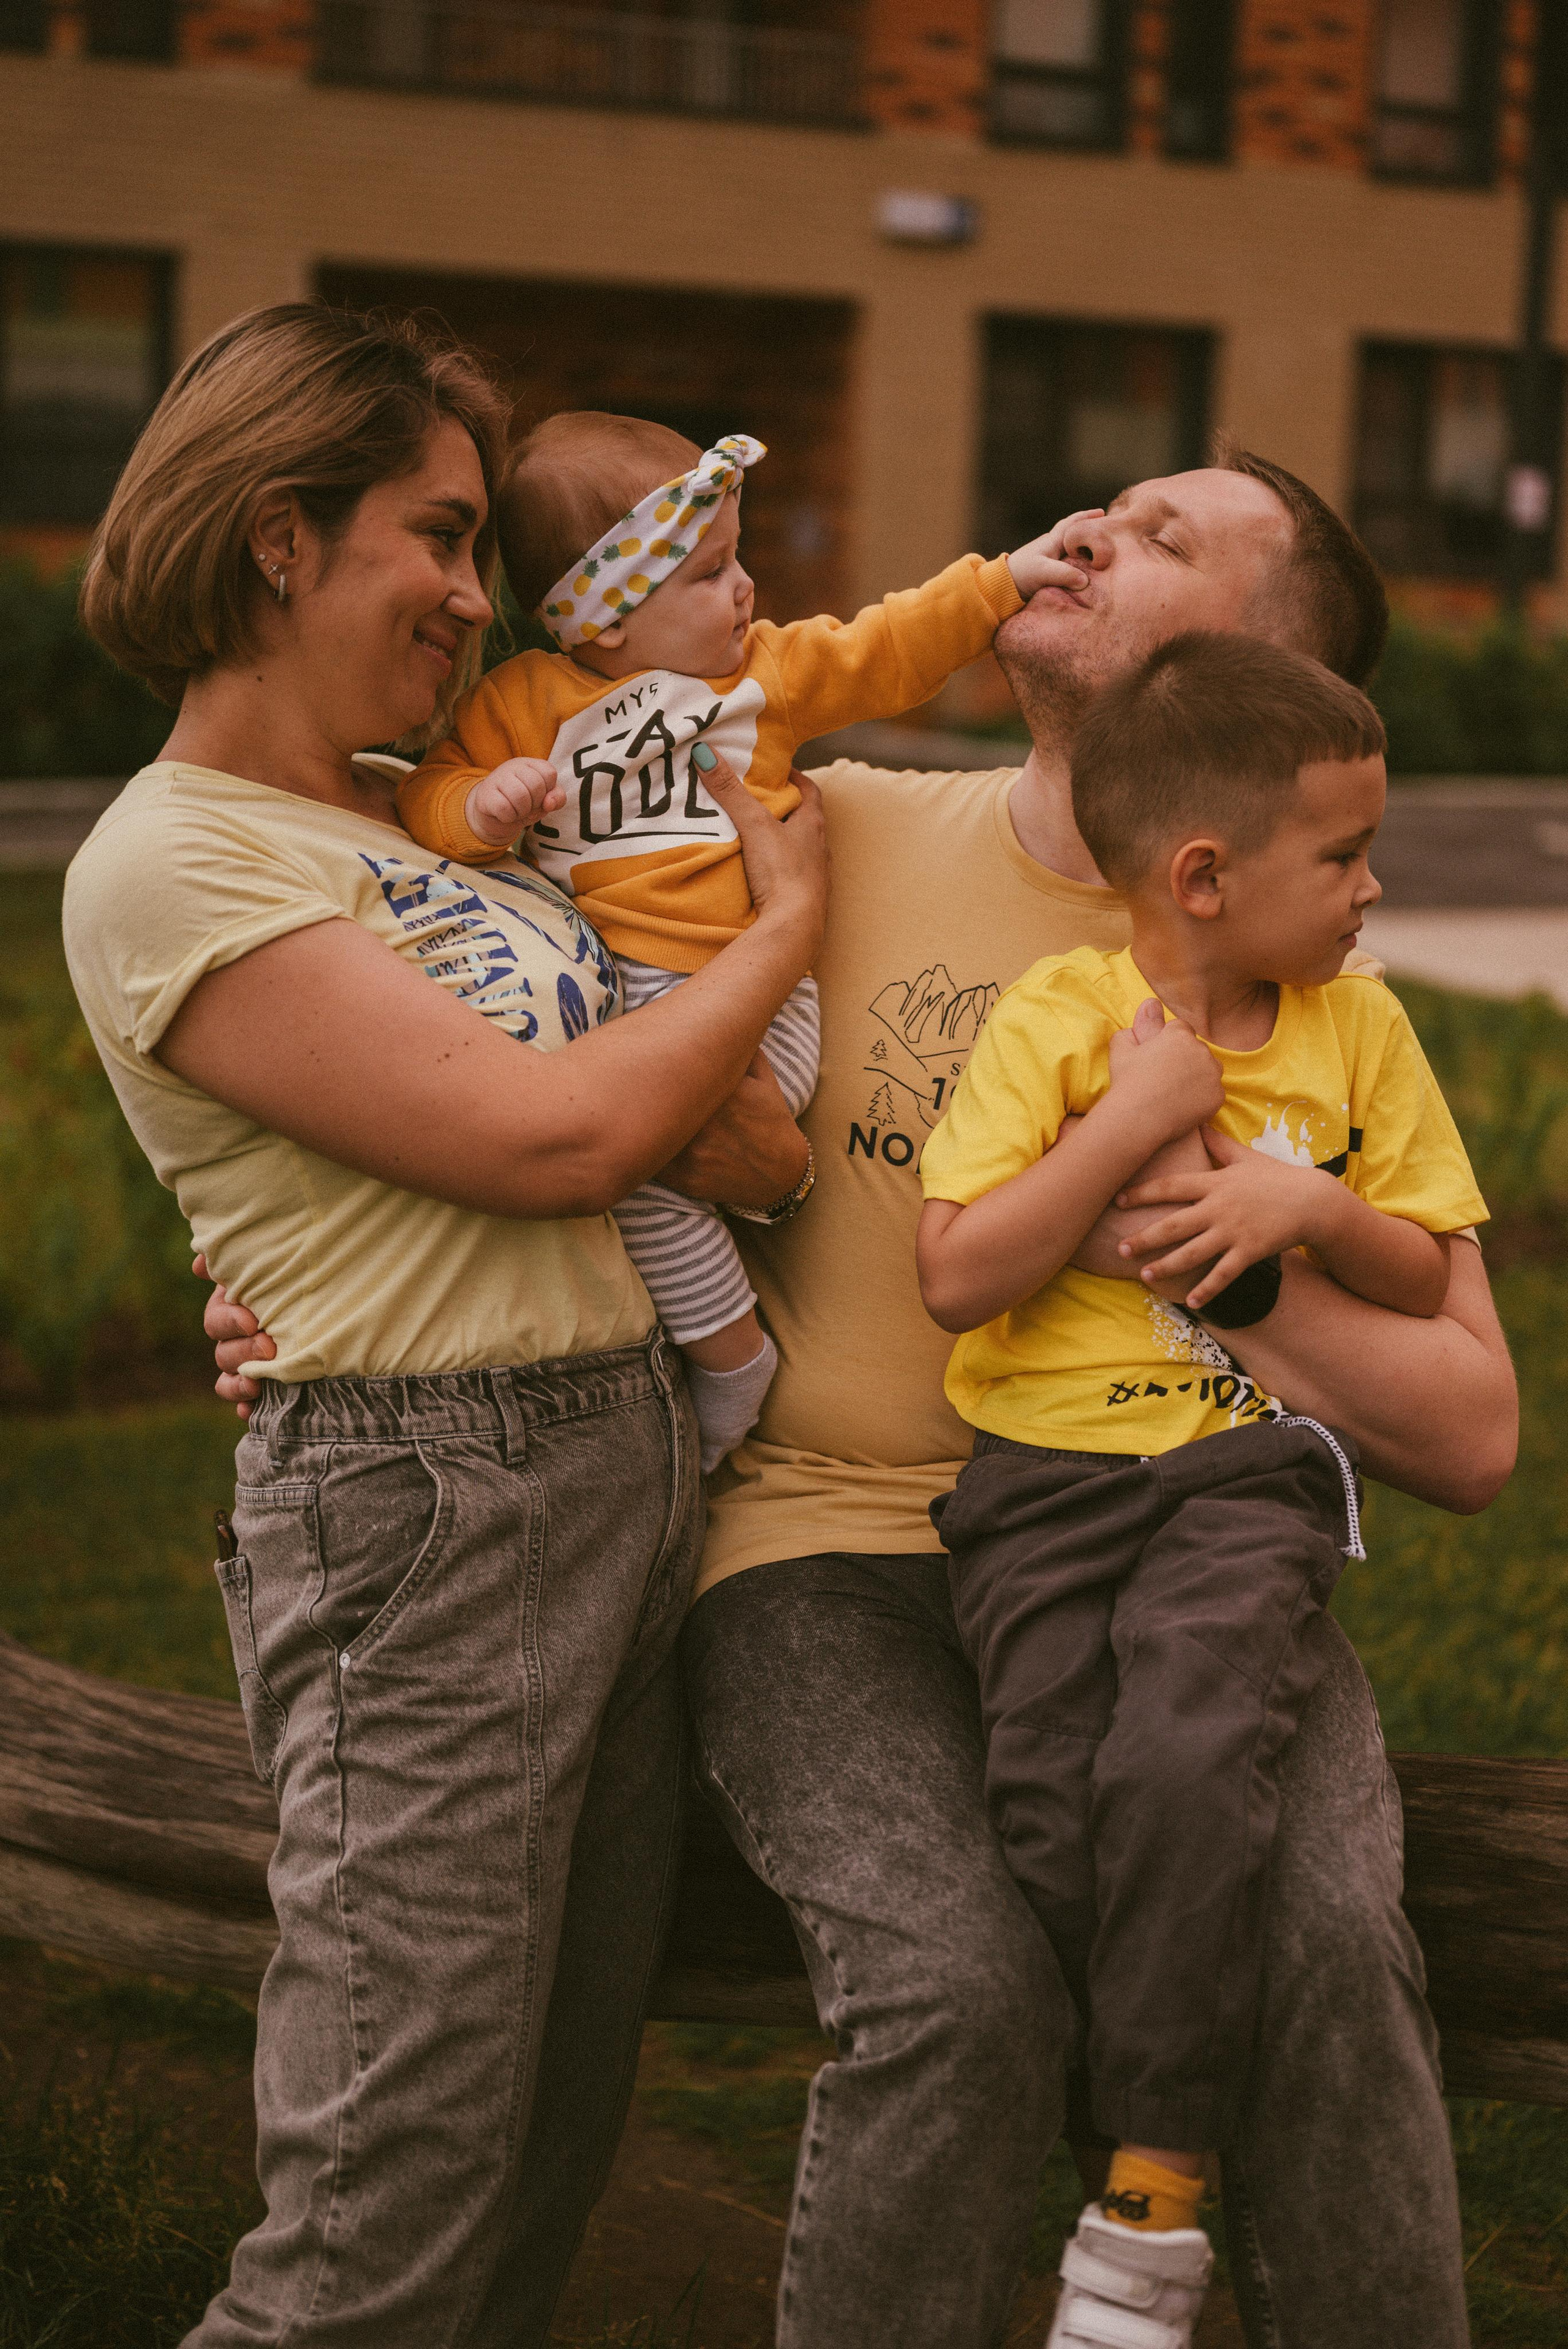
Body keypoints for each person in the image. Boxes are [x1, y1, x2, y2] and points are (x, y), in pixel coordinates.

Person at [211, 448, 1518, 2349]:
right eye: (1100, 505)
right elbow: (486, 1013)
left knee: (1319, 1942)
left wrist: (1223, 1243)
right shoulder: (815, 824)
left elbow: (1472, 1432)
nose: (1079, 530)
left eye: (1161, 541)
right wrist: (294, 1273)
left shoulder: (1298, 978)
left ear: (1266, 674)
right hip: (821, 1543)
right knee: (957, 1984)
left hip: (1176, 1542)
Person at [63, 300, 826, 2349]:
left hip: (612, 1476)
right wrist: (789, 941)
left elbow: (724, 1144)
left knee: (527, 2181)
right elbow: (560, 1129)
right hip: (432, 1513)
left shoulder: (417, 806)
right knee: (376, 2232)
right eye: (441, 531)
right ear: (279, 535)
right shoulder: (175, 855)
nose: (482, 596)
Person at [918, 632, 1488, 2347]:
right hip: (1039, 1482)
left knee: (1185, 1754)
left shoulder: (1360, 1033)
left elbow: (1421, 1276)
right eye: (1344, 856)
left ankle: (1153, 2202)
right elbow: (959, 1275)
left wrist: (1308, 1213)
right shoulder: (1061, 1022)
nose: (1374, 887)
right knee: (1049, 1802)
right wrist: (1131, 1122)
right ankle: (1131, 2128)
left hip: (1245, 1472)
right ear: (1204, 876)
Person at [396, 408, 1089, 1469]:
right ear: (611, 618)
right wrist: (484, 806)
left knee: (641, 1169)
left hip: (756, 998)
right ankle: (711, 1349)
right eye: (711, 572)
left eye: (738, 560)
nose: (747, 589)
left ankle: (727, 1364)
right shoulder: (522, 706)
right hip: (620, 994)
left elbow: (885, 645)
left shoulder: (761, 676)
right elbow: (430, 798)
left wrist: (1001, 583)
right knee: (618, 1180)